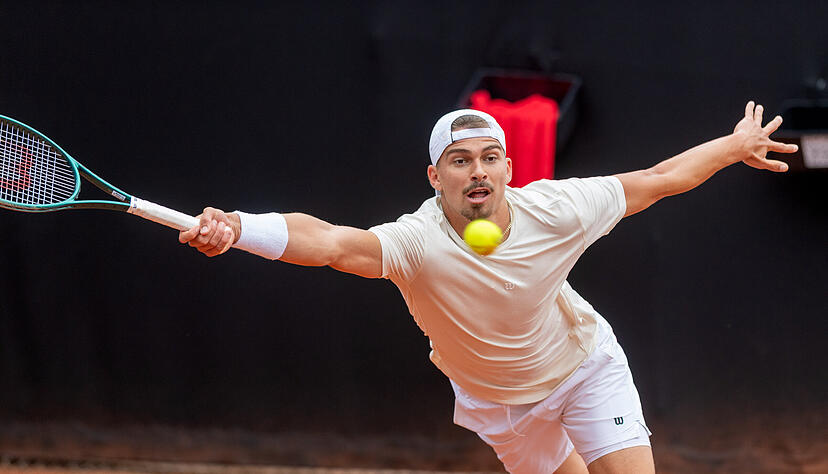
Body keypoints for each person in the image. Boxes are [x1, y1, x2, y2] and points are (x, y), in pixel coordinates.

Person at [179, 101, 796, 474]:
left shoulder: (558, 206)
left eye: (489, 156)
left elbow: (657, 179)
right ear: (435, 177)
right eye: (460, 159)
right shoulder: (416, 243)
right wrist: (239, 229)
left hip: (583, 368)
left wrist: (733, 146)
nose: (477, 170)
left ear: (507, 167)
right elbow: (333, 244)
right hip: (500, 405)